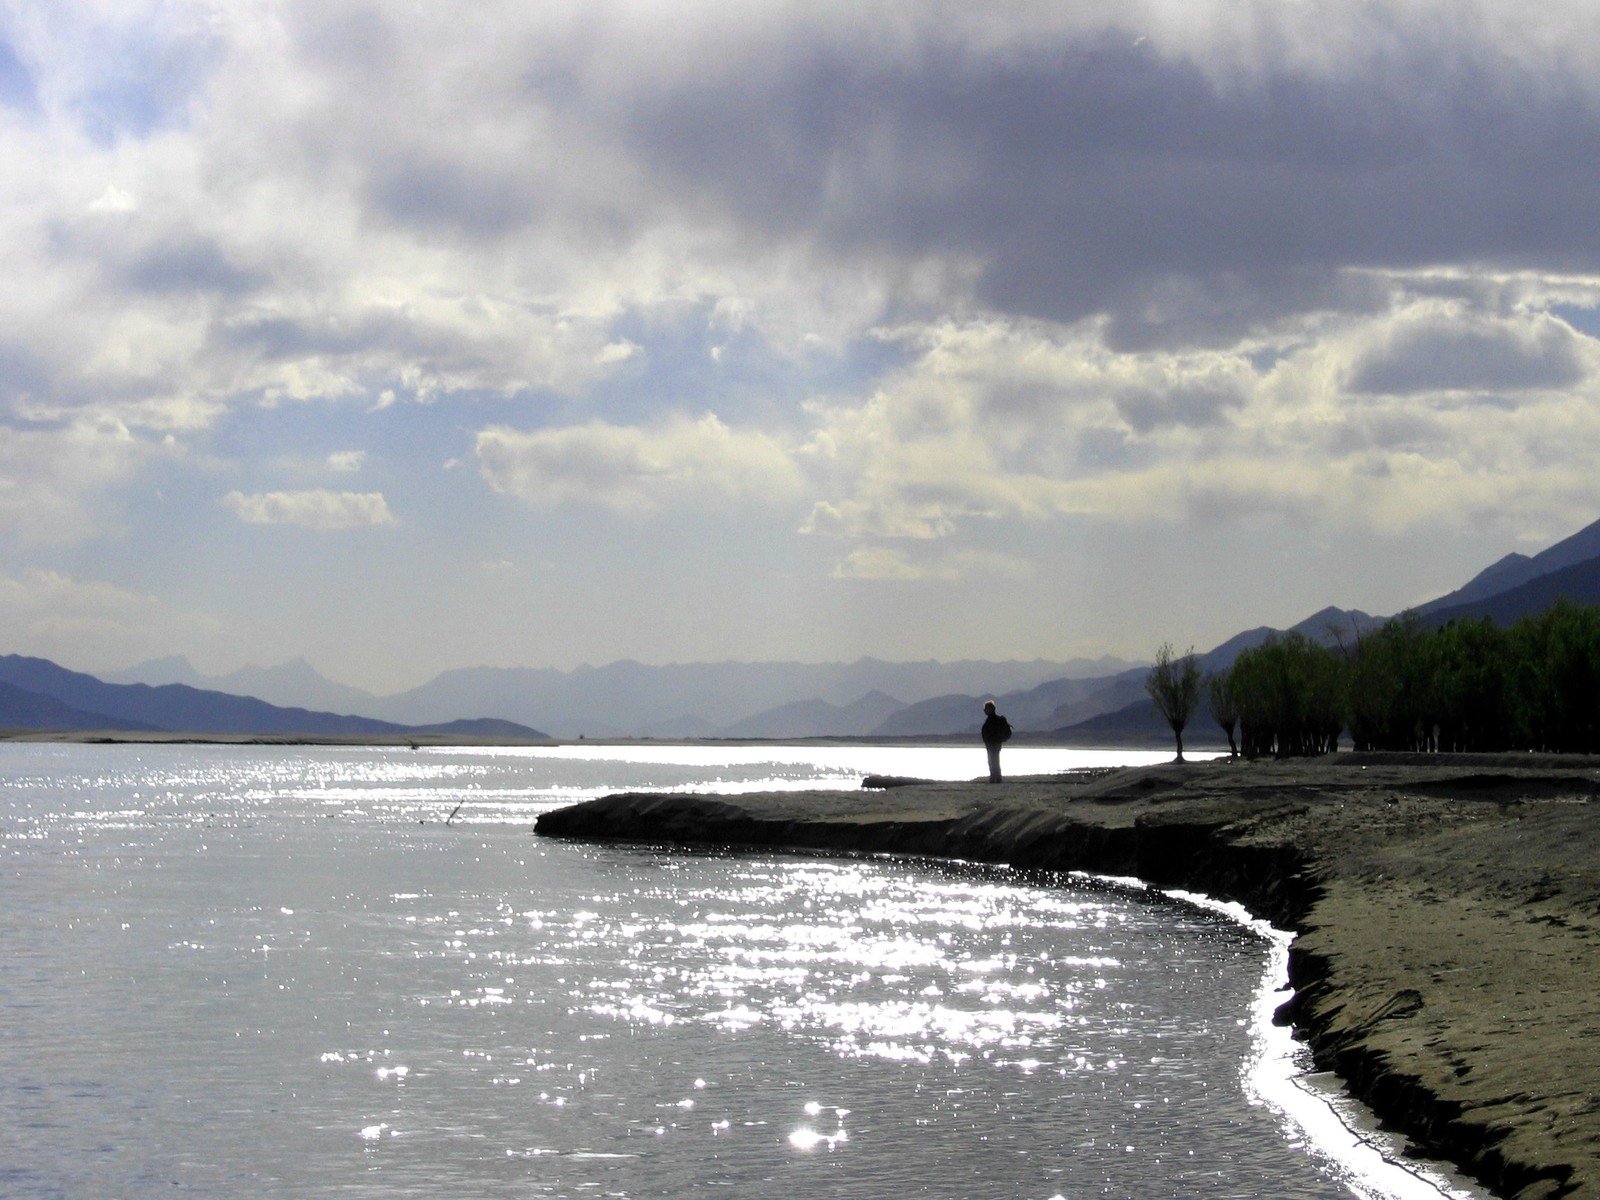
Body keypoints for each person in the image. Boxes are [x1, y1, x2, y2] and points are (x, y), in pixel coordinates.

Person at [980, 700, 1011, 782]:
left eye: (986, 709)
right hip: (995, 743)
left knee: (993, 760)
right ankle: (996, 777)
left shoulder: (992, 720)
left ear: (990, 709)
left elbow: (988, 732)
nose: (984, 711)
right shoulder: (994, 719)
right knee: (995, 760)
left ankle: (995, 777)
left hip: (993, 743)